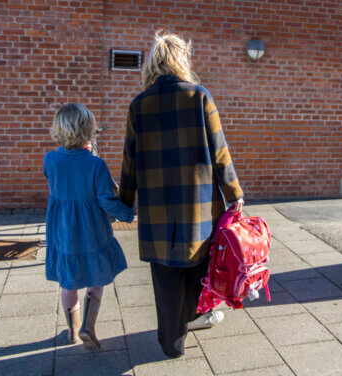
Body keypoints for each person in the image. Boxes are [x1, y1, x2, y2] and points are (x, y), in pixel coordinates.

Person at [119, 31, 244, 358]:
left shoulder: (139, 105)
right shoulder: (199, 97)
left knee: (165, 275)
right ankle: (191, 316)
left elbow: (129, 159)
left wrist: (125, 202)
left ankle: (172, 342)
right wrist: (234, 193)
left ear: (153, 63)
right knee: (196, 266)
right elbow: (220, 152)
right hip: (197, 204)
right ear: (180, 61)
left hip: (157, 207)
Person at [44, 103, 134, 351]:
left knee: (68, 281)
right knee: (96, 277)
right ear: (88, 131)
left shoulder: (50, 160)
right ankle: (88, 326)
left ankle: (72, 331)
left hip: (62, 232)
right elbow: (106, 200)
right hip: (91, 231)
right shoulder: (96, 165)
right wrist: (128, 214)